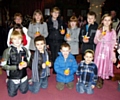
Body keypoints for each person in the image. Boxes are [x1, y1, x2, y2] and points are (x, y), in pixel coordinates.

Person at [1, 30, 30, 97]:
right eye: (15, 39)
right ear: (11, 40)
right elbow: (3, 66)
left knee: (24, 91)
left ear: (22, 39)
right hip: (13, 77)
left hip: (23, 76)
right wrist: (16, 67)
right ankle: (8, 81)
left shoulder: (25, 50)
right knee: (12, 94)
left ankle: (23, 82)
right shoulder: (7, 51)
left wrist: (27, 63)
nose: (17, 41)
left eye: (19, 39)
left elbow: (29, 61)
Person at [94, 14, 116, 89]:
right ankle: (96, 77)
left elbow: (114, 43)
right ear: (102, 21)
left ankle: (101, 78)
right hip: (100, 48)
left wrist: (113, 56)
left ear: (111, 21)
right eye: (105, 20)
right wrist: (100, 37)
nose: (107, 22)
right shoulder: (99, 30)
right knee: (98, 63)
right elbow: (95, 41)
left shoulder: (112, 31)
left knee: (105, 63)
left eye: (109, 20)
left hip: (108, 49)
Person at [47, 7, 66, 74]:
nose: (56, 14)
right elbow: (47, 33)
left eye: (57, 13)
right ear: (51, 13)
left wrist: (63, 33)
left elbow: (64, 30)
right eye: (54, 12)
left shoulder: (61, 21)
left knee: (58, 55)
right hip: (51, 40)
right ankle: (54, 68)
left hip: (59, 40)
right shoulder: (48, 22)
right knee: (53, 55)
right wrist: (47, 43)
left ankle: (57, 69)